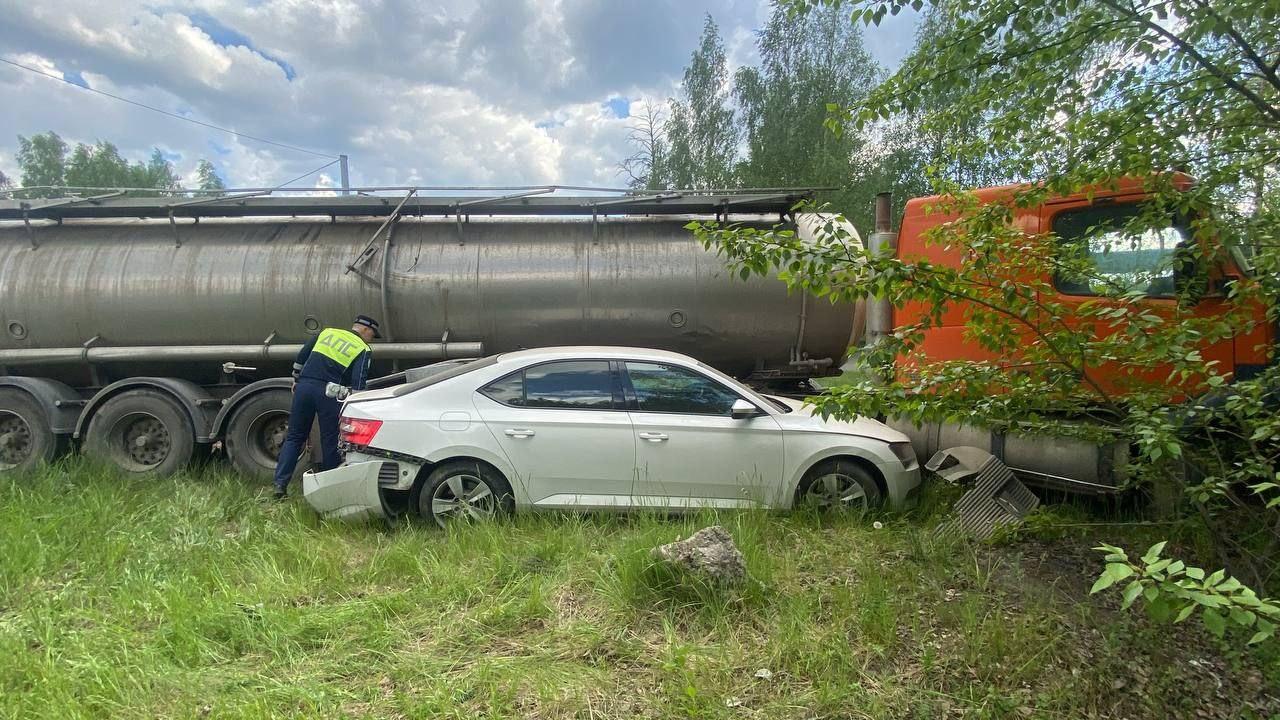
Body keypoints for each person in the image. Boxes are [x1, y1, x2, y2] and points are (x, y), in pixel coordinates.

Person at [271, 315, 380, 498]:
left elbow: (301, 356)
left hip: (304, 387)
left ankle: (280, 485)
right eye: (373, 335)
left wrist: (297, 379)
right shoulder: (363, 348)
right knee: (330, 440)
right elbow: (358, 382)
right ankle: (330, 490)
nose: (372, 339)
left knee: (295, 437)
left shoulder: (327, 333)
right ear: (366, 330)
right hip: (329, 394)